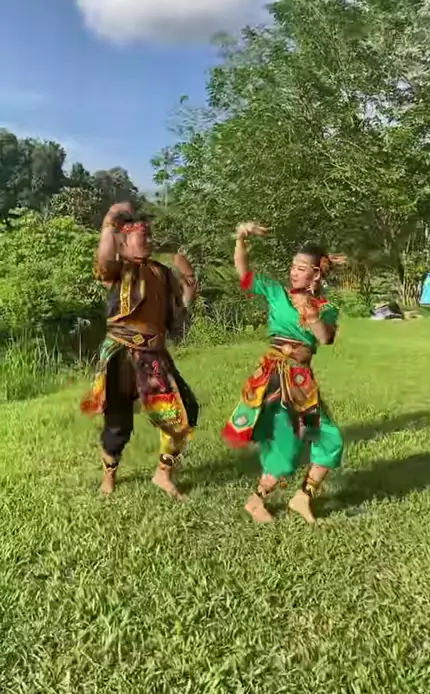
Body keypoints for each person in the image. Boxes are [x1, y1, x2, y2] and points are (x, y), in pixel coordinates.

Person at [222, 222, 344, 525]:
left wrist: (311, 314)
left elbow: (325, 338)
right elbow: (244, 272)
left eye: (301, 268)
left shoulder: (326, 307)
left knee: (327, 438)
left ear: (316, 274)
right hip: (275, 377)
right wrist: (240, 238)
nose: (293, 272)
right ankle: (259, 500)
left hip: (301, 380)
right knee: (285, 443)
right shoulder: (277, 293)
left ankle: (301, 497)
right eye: (292, 267)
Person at [81, 202, 199, 499]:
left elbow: (181, 309)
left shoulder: (162, 272)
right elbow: (104, 259)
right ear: (124, 242)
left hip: (154, 356)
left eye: (150, 234)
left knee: (183, 411)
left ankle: (163, 473)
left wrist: (189, 281)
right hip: (122, 353)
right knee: (118, 422)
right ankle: (109, 476)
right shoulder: (119, 269)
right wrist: (109, 221)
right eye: (142, 235)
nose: (149, 239)